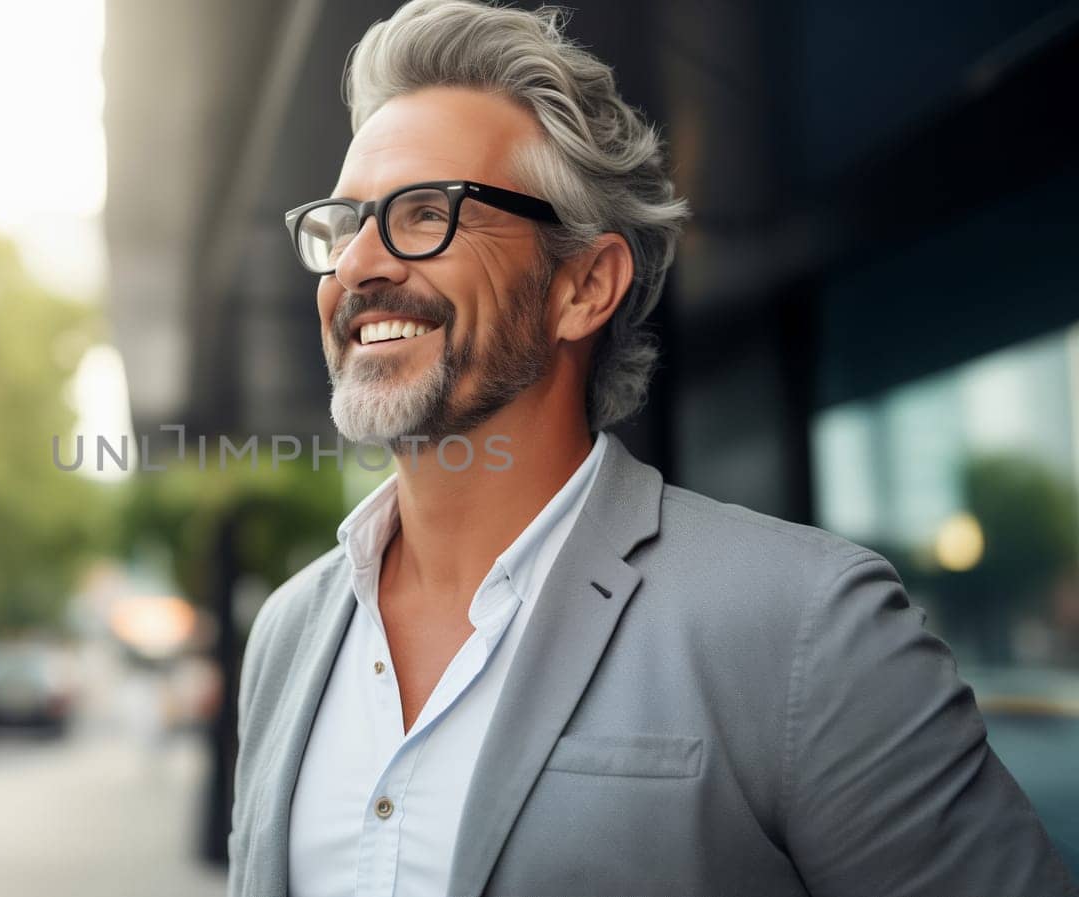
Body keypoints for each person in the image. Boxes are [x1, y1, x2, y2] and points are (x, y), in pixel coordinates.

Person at [226, 2, 1077, 896]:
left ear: (584, 286)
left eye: (426, 212)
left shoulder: (808, 627)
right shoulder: (288, 632)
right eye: (344, 223)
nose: (358, 265)